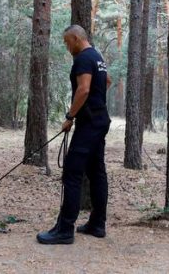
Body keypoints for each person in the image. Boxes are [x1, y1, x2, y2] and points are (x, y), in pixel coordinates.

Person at [36, 24, 111, 244]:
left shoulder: (83, 59)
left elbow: (84, 88)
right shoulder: (97, 57)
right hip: (100, 121)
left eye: (67, 42)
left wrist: (70, 116)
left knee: (72, 173)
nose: (66, 46)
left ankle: (65, 229)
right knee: (96, 172)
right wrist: (96, 101)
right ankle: (97, 224)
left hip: (89, 125)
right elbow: (107, 81)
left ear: (77, 38)